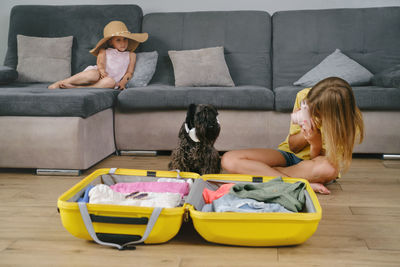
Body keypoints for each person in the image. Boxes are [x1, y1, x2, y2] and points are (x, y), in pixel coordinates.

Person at [221, 77, 364, 194]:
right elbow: (293, 147)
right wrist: (305, 134)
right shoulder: (305, 97)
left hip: (314, 167)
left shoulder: (349, 126)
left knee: (329, 169)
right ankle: (296, 184)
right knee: (229, 159)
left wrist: (315, 143)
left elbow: (321, 161)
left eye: (317, 112)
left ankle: (262, 174)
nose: (312, 113)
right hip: (288, 155)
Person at [48, 21, 148, 90]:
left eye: (125, 39)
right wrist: (101, 70)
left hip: (108, 81)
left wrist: (123, 83)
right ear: (110, 42)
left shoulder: (131, 55)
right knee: (92, 74)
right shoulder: (104, 51)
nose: (123, 43)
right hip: (98, 75)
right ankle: (62, 82)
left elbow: (129, 73)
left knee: (111, 82)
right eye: (118, 40)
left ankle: (77, 88)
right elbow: (100, 63)